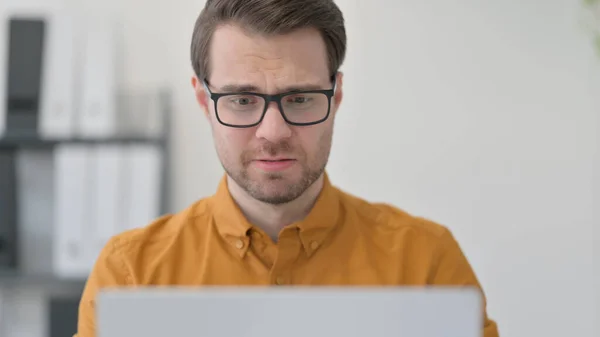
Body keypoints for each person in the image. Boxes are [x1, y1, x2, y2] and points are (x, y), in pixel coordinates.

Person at [75, 0, 499, 336]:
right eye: (242, 100)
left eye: (299, 98)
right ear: (205, 102)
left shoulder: (425, 263)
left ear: (335, 97)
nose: (272, 131)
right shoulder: (130, 275)